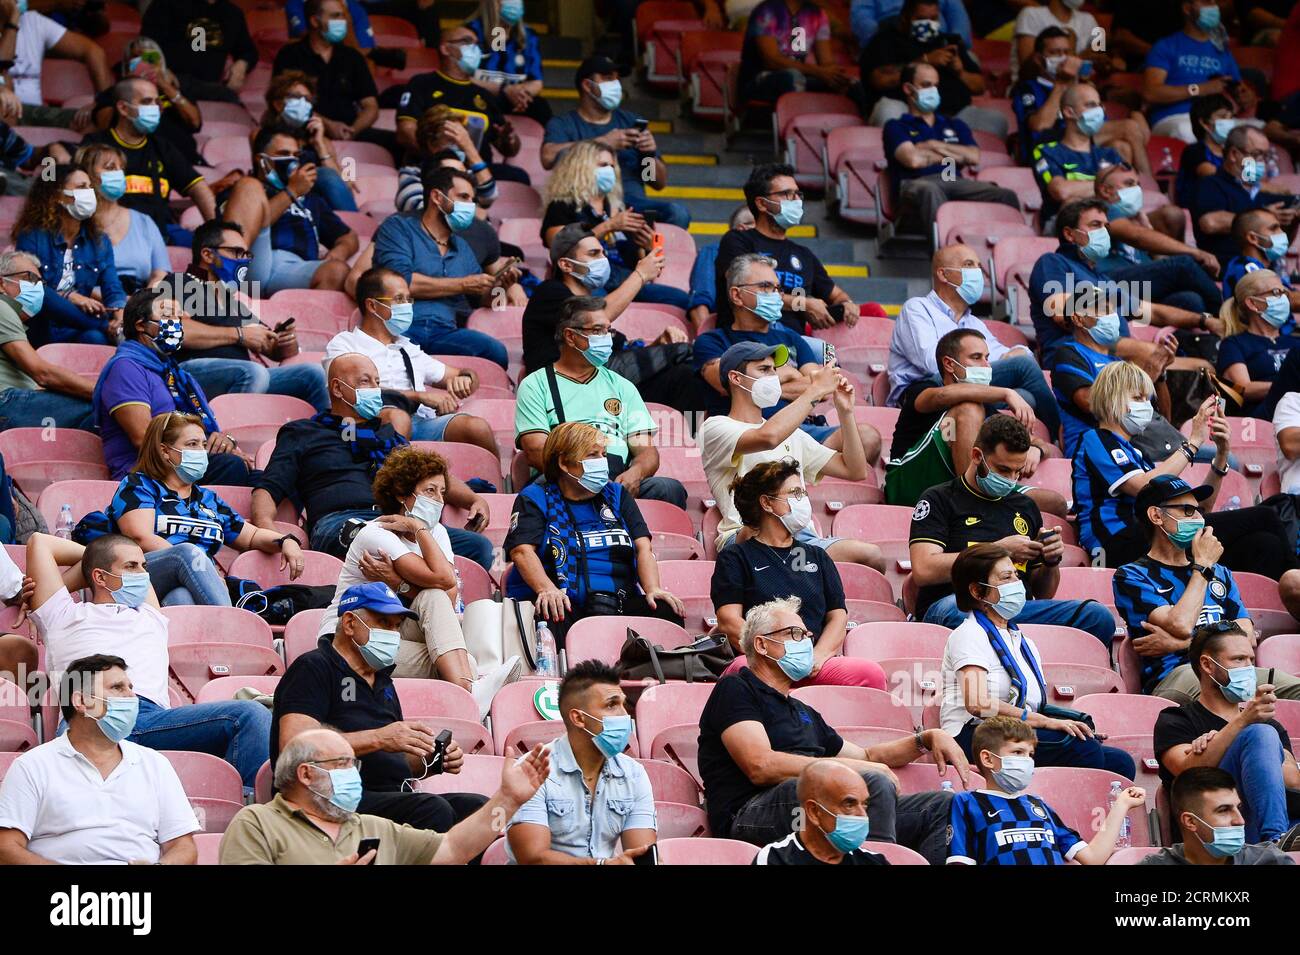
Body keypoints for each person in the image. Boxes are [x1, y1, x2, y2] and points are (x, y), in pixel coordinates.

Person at [697, 597, 964, 863]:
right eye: (794, 634)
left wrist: (926, 739)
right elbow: (760, 765)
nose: (805, 642)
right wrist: (855, 771)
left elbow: (868, 758)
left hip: (823, 803)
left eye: (806, 635)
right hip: (750, 813)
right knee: (868, 783)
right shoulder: (736, 689)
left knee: (942, 807)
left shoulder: (803, 711)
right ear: (762, 644)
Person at [24, 532, 273, 790]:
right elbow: (40, 542)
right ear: (99, 577)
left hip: (149, 719)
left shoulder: (149, 615)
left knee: (251, 714)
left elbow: (110, 565)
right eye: (131, 567)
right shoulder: (62, 615)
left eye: (144, 566)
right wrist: (94, 557)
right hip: (91, 713)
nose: (142, 574)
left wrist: (98, 559)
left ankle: (245, 811)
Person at [315, 447, 519, 717]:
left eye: (443, 492)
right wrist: (420, 530)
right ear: (402, 493)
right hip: (352, 639)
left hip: (393, 630)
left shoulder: (438, 532)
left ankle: (468, 693)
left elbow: (447, 596)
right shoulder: (376, 532)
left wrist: (399, 583)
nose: (438, 500)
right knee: (462, 662)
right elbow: (444, 578)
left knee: (435, 602)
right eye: (429, 491)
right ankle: (469, 695)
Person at [272, 582, 488, 832]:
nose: (393, 634)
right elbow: (294, 745)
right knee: (432, 809)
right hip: (325, 798)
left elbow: (396, 763)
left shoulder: (383, 680)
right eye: (384, 623)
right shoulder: (314, 667)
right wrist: (380, 738)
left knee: (477, 810)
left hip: (386, 797)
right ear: (350, 623)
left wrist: (433, 760)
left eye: (397, 626)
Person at [251, 352, 495, 569]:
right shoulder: (303, 432)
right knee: (377, 539)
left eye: (377, 382)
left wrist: (473, 499)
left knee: (478, 547)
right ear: (337, 389)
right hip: (341, 524)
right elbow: (269, 487)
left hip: (398, 522)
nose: (375, 389)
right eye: (365, 382)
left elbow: (429, 476)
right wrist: (268, 529)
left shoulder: (387, 435)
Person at [1073, 361, 1297, 577]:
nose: (1146, 406)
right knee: (1265, 515)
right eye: (1137, 397)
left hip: (1157, 537)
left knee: (1265, 545)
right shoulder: (1096, 439)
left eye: (1148, 399)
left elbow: (1201, 509)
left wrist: (1221, 454)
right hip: (1115, 545)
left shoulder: (1138, 456)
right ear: (1112, 398)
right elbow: (1142, 487)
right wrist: (1193, 443)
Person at [910, 415, 1118, 646]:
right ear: (977, 456)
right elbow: (923, 570)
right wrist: (999, 550)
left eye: (1017, 472)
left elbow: (1044, 593)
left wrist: (1050, 561)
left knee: (1097, 616)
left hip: (1018, 607)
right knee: (958, 612)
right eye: (1002, 470)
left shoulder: (1025, 506)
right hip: (957, 604)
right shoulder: (939, 498)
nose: (1010, 479)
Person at [941, 543, 1136, 776]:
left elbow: (1031, 703)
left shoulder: (1022, 641)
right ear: (977, 591)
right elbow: (978, 703)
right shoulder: (968, 634)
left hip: (1015, 730)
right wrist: (1044, 722)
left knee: (1120, 763)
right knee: (1082, 749)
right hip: (975, 735)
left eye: (1016, 574)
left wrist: (1069, 722)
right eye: (1006, 577)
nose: (1017, 583)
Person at [220, 727, 549, 864]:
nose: (353, 773)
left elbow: (454, 847)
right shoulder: (257, 822)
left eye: (354, 763)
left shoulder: (372, 827)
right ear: (306, 773)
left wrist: (507, 801)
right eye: (343, 764)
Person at [1112, 474, 1300, 700]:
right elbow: (1180, 623)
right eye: (1188, 511)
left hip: (1236, 672)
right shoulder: (1132, 576)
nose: (1200, 519)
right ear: (1156, 516)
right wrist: (1202, 566)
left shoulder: (1220, 572)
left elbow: (1247, 637)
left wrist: (1181, 643)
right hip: (1177, 675)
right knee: (1223, 695)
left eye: (1199, 510)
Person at [0, 653, 199, 865]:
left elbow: (183, 847)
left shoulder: (155, 764)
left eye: (130, 688)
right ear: (81, 701)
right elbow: (6, 847)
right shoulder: (32, 766)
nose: (132, 697)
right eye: (117, 687)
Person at [504, 421, 685, 647]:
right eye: (592, 455)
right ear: (563, 463)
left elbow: (643, 547)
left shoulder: (617, 494)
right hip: (565, 604)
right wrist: (547, 590)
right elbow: (521, 551)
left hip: (620, 603)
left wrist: (652, 589)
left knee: (667, 611)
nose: (602, 462)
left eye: (604, 454)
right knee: (550, 612)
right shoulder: (536, 496)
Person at [700, 342, 882, 567]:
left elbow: (855, 470)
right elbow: (768, 437)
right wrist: (814, 391)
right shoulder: (715, 427)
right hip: (745, 535)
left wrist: (846, 413)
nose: (773, 377)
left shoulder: (792, 434)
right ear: (736, 378)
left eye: (774, 370)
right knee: (771, 540)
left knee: (870, 556)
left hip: (801, 538)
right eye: (764, 370)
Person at [712, 464, 887, 688]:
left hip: (814, 663)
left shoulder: (817, 556)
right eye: (794, 493)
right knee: (741, 672)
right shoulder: (735, 557)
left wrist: (818, 656)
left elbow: (837, 616)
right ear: (766, 503)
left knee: (870, 673)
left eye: (802, 493)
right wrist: (773, 652)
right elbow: (729, 620)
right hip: (762, 661)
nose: (802, 499)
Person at [106, 411, 306, 606]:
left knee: (180, 597)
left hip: (182, 586)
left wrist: (285, 541)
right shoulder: (139, 485)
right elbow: (140, 537)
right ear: (165, 451)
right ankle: (231, 626)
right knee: (187, 553)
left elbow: (251, 536)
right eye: (192, 444)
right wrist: (201, 565)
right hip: (138, 575)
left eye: (203, 445)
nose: (201, 452)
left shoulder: (208, 499)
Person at [515, 296, 687, 508]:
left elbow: (646, 451)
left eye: (608, 331)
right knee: (539, 490)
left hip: (617, 477)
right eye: (597, 331)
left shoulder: (622, 386)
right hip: (565, 478)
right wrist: (582, 476)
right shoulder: (536, 384)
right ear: (570, 336)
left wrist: (636, 472)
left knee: (669, 489)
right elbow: (535, 451)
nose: (606, 338)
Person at [698, 254, 880, 452]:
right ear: (737, 295)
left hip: (802, 431)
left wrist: (758, 386)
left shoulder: (792, 338)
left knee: (867, 438)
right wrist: (792, 376)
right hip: (747, 435)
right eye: (765, 286)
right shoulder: (711, 341)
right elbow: (726, 383)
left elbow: (823, 387)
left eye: (777, 288)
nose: (776, 295)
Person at [886, 243, 1060, 439]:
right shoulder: (917, 308)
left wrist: (1018, 352)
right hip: (925, 391)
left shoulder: (974, 322)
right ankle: (1060, 434)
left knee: (1025, 397)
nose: (978, 272)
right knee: (1023, 367)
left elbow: (1002, 356)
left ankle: (1005, 450)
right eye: (969, 265)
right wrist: (1011, 360)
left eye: (978, 265)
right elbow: (933, 364)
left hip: (966, 388)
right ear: (944, 275)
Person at [1154, 620, 1300, 845]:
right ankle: (1274, 841)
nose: (1249, 668)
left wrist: (1233, 742)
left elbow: (1292, 781)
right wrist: (1240, 725)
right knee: (1258, 734)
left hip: (1269, 824)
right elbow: (1187, 771)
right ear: (1207, 665)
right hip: (1214, 835)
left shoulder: (1270, 726)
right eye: (1238, 659)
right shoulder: (1176, 719)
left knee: (1260, 734)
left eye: (1251, 660)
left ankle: (1276, 843)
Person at [158, 220, 329, 412]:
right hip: (190, 373)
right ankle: (228, 436)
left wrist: (283, 342)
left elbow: (270, 346)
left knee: (313, 374)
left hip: (248, 375)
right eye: (236, 252)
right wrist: (239, 335)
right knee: (254, 372)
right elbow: (172, 333)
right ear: (207, 254)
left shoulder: (231, 299)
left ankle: (327, 437)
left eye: (246, 254)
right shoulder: (177, 282)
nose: (244, 260)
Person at [93, 288, 256, 486]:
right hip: (147, 476)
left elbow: (202, 431)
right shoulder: (126, 367)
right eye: (168, 315)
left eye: (178, 317)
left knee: (260, 478)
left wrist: (225, 442)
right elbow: (143, 437)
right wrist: (202, 451)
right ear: (141, 325)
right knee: (230, 467)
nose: (176, 323)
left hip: (185, 463)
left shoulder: (177, 376)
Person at [327, 266, 497, 454]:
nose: (407, 306)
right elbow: (348, 392)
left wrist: (466, 378)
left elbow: (459, 374)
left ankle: (501, 482)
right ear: (372, 306)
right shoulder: (346, 344)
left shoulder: (408, 348)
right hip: (371, 422)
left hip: (422, 422)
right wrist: (419, 396)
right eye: (399, 299)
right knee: (399, 418)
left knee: (476, 427)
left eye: (409, 299)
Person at [1029, 198, 1222, 363]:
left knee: (1202, 366)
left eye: (1106, 227)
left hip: (1117, 358)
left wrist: (1205, 320)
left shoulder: (1103, 279)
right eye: (1095, 225)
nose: (1104, 232)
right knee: (1157, 356)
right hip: (1078, 355)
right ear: (1069, 234)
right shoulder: (1053, 262)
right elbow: (1060, 310)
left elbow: (1152, 312)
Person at [888, 329, 1061, 511]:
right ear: (948, 364)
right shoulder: (923, 389)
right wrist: (1006, 393)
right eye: (977, 357)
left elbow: (1031, 440)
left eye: (987, 358)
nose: (987, 366)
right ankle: (972, 505)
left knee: (1053, 503)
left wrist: (1036, 449)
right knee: (969, 408)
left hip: (954, 490)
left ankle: (981, 507)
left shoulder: (985, 409)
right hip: (908, 481)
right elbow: (942, 396)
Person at [506, 660, 657, 864]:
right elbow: (533, 859)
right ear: (578, 718)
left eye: (624, 703)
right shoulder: (532, 770)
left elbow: (641, 854)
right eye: (611, 705)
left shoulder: (634, 774)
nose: (624, 714)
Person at [947, 716, 1146, 865]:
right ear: (988, 758)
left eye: (1030, 755)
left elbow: (1093, 858)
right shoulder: (966, 803)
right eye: (1017, 752)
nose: (1026, 761)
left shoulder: (1038, 805)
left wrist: (1121, 805)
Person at [372, 165, 512, 368]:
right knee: (392, 359)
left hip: (445, 332)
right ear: (437, 197)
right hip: (399, 327)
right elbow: (400, 283)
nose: (470, 206)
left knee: (495, 352)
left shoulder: (462, 247)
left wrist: (500, 285)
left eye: (472, 200)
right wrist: (463, 285)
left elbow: (481, 298)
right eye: (464, 197)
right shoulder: (398, 228)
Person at [541, 55, 690, 229]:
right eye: (607, 78)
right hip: (586, 204)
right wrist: (603, 142)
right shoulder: (564, 124)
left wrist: (648, 154)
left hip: (633, 206)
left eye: (617, 78)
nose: (616, 84)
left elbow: (656, 182)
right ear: (588, 85)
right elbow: (548, 157)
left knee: (678, 213)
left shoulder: (631, 121)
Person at [539, 139, 686, 310]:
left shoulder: (618, 206)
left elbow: (635, 261)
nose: (609, 171)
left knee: (683, 301)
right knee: (593, 309)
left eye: (611, 166)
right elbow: (559, 246)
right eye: (602, 165)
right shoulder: (561, 206)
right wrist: (609, 226)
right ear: (581, 167)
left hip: (625, 277)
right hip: (586, 279)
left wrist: (646, 247)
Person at [712, 164, 858, 334]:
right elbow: (746, 292)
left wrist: (847, 305)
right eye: (787, 194)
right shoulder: (737, 240)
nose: (796, 200)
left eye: (798, 194)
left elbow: (838, 295)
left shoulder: (804, 255)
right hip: (746, 340)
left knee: (831, 356)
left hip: (796, 345)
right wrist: (802, 304)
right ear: (761, 203)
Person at [1049, 284, 1182, 459]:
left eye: (1112, 310)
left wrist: (1160, 372)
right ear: (1078, 319)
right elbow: (1091, 403)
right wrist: (1147, 376)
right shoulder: (1069, 354)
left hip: (1154, 444)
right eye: (1103, 309)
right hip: (1105, 453)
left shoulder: (1117, 361)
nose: (1112, 316)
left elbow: (1163, 417)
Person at [222, 125, 358, 296]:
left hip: (295, 268)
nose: (292, 161)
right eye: (283, 154)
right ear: (261, 159)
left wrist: (340, 251)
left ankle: (305, 321)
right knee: (249, 185)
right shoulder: (241, 191)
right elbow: (235, 233)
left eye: (296, 155)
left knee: (337, 272)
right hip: (252, 265)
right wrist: (291, 192)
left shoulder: (310, 198)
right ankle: (219, 294)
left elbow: (348, 236)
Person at [882, 62, 1019, 229]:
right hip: (916, 182)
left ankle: (1006, 250)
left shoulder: (954, 124)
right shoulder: (896, 126)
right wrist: (954, 155)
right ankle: (945, 252)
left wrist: (932, 145)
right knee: (931, 190)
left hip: (952, 179)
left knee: (1005, 195)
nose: (933, 90)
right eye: (926, 85)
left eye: (935, 85)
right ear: (908, 89)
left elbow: (973, 156)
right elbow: (913, 160)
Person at [80, 77, 216, 247]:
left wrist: (216, 234)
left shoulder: (163, 147)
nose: (154, 108)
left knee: (209, 252)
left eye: (156, 103)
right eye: (146, 102)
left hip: (162, 231)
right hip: (113, 231)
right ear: (123, 108)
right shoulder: (97, 144)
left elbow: (199, 188)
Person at [394, 23, 525, 184]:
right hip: (435, 168)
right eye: (467, 42)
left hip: (478, 170)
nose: (475, 49)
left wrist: (509, 139)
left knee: (518, 177)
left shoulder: (484, 96)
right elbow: (405, 132)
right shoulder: (422, 84)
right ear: (445, 49)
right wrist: (441, 158)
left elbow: (509, 150)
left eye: (477, 44)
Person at [12, 162, 125, 347]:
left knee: (95, 339)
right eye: (81, 187)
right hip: (41, 325)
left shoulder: (99, 240)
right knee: (39, 291)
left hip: (79, 324)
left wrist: (119, 319)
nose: (89, 192)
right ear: (58, 196)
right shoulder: (33, 235)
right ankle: (105, 326)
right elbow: (29, 289)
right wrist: (69, 296)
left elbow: (112, 287)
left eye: (90, 187)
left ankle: (109, 330)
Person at [1012, 26, 1151, 173]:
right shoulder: (1027, 88)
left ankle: (1119, 191)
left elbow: (1098, 124)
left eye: (1066, 52)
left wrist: (1084, 88)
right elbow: (1040, 126)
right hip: (1046, 150)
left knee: (1120, 147)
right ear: (1039, 59)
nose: (1062, 58)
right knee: (1129, 127)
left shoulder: (1079, 87)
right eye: (1054, 53)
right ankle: (1151, 187)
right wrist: (1061, 84)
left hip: (1081, 146)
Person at [861, 1, 1003, 136]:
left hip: (953, 115)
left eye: (933, 18)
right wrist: (926, 60)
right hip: (906, 110)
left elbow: (979, 86)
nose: (929, 23)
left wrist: (960, 72)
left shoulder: (948, 42)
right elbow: (880, 79)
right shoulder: (885, 40)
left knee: (995, 120)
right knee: (888, 111)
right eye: (921, 18)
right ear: (905, 18)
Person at [0, 250, 95, 430]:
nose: (37, 288)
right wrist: (107, 392)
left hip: (15, 401)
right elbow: (43, 374)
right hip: (6, 402)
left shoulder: (11, 318)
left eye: (40, 283)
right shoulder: (1, 307)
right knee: (106, 409)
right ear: (1, 283)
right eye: (29, 278)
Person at [271, 0, 383, 149]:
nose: (342, 22)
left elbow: (371, 106)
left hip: (350, 130)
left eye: (343, 16)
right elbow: (284, 102)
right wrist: (328, 125)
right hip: (304, 130)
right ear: (314, 21)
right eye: (336, 16)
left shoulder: (353, 57)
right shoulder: (289, 55)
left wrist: (353, 131)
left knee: (395, 144)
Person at [1092, 164, 1222, 284]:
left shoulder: (1135, 219)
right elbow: (1136, 236)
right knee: (1183, 263)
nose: (1137, 190)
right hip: (1111, 281)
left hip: (1141, 288)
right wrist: (1196, 252)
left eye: (1138, 185)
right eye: (1129, 184)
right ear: (1105, 191)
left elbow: (1156, 262)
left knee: (1190, 299)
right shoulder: (1101, 209)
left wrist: (1147, 228)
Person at [1191, 124, 1299, 268]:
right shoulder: (1210, 185)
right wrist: (1264, 216)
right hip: (1225, 270)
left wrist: (1293, 221)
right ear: (1234, 154)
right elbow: (1209, 223)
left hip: (1268, 272)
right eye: (1256, 154)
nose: (1262, 161)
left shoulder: (1266, 193)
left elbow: (1278, 247)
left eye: (1266, 156)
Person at [1140, 767, 1297, 864]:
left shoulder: (1269, 860)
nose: (1240, 820)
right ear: (1190, 821)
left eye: (1238, 808)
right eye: (1223, 810)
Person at [87, 38, 204, 169]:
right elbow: (104, 123)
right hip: (138, 162)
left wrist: (165, 86)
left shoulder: (177, 89)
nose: (145, 63)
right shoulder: (113, 93)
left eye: (150, 58)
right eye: (137, 58)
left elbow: (195, 122)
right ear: (127, 64)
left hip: (185, 160)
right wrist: (129, 87)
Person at [74, 141, 169, 294]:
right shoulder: (74, 222)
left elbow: (160, 273)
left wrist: (141, 303)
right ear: (87, 175)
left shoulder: (144, 221)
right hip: (90, 305)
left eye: (121, 168)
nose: (119, 174)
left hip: (140, 307)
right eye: (110, 167)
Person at [753, 760, 891, 864]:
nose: (863, 815)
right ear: (814, 812)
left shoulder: (874, 861)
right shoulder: (775, 859)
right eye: (849, 804)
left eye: (864, 804)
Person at [258, 70, 358, 212]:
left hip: (321, 205)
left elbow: (344, 186)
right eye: (296, 97)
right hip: (282, 198)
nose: (302, 103)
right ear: (278, 104)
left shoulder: (322, 141)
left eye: (307, 99)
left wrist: (320, 145)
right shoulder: (262, 136)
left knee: (327, 175)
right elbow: (263, 175)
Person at [1143, 0, 1242, 142]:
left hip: (1219, 118)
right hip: (1175, 118)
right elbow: (1151, 93)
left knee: (1256, 131)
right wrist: (1200, 89)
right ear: (1187, 8)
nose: (1213, 6)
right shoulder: (1166, 46)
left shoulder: (1222, 50)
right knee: (1188, 131)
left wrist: (1245, 96)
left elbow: (1237, 88)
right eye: (1206, 2)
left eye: (1214, 2)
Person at [1031, 83, 1126, 225]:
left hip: (1112, 220)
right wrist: (1110, 187)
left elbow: (1129, 190)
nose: (1099, 111)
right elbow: (1061, 191)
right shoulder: (1047, 151)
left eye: (1100, 105)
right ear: (1069, 112)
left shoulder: (1109, 154)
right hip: (1065, 227)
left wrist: (1083, 188)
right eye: (1091, 105)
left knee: (1169, 215)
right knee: (1073, 204)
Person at [8, 5, 111, 128]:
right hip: (6, 111)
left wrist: (103, 104)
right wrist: (11, 23)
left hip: (33, 114)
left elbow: (93, 52)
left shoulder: (32, 20)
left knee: (97, 120)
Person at [1216, 268, 1300, 417]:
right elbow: (1243, 389)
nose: (1284, 299)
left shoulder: (1293, 340)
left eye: (1285, 293)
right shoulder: (1234, 344)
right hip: (1261, 417)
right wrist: (1286, 385)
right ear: (1252, 303)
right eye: (1276, 293)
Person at [140, 0, 258, 104]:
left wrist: (242, 64)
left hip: (209, 90)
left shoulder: (233, 14)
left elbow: (249, 51)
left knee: (232, 102)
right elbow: (145, 44)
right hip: (170, 87)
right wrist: (160, 69)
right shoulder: (166, 4)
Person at [738, 0, 853, 103]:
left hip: (799, 77)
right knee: (791, 77)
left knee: (850, 84)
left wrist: (833, 75)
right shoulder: (767, 11)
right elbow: (772, 61)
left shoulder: (816, 14)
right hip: (759, 80)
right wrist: (818, 72)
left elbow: (824, 62)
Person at [466, 0, 550, 125]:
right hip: (481, 96)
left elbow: (536, 81)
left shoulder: (529, 36)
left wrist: (520, 95)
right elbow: (462, 77)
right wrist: (504, 90)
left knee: (541, 107)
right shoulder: (470, 32)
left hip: (516, 99)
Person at [1011, 0, 1112, 82]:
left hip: (1077, 92)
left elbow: (1101, 53)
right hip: (1034, 91)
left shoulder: (1089, 18)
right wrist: (1078, 57)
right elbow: (1027, 71)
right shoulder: (1030, 14)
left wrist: (1102, 61)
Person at [688, 205, 754, 330]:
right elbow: (701, 301)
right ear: (743, 228)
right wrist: (708, 342)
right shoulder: (714, 252)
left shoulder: (772, 255)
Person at [1221, 207, 1299, 302]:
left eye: (1280, 228)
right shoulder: (1243, 267)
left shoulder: (1269, 269)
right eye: (1274, 228)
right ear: (1253, 238)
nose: (1282, 233)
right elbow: (1283, 299)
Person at [1175, 93, 1235, 210]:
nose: (1229, 122)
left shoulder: (1234, 151)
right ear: (1204, 122)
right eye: (1223, 117)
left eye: (1231, 117)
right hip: (1202, 210)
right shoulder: (1193, 151)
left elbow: (1252, 181)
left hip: (1232, 204)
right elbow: (1213, 175)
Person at [850, 0, 971, 48]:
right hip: (893, 40)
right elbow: (861, 16)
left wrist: (954, 40)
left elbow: (958, 15)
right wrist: (879, 38)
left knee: (970, 60)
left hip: (939, 41)